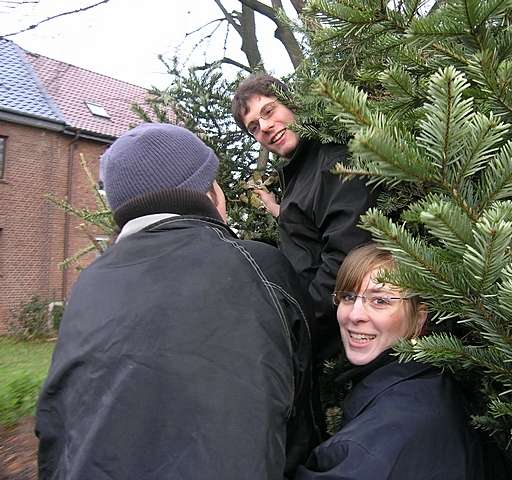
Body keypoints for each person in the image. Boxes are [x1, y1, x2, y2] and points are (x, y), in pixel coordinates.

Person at [36, 123, 320, 480]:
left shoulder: (89, 283)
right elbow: (301, 425)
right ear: (207, 195)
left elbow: (54, 425)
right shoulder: (260, 267)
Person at [295, 243, 486, 479]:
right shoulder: (429, 384)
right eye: (347, 297)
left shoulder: (382, 437)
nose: (355, 315)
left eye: (380, 301)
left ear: (419, 318)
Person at [232, 75, 375, 362]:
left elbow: (347, 257)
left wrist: (301, 329)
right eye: (254, 128)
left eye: (269, 112)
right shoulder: (298, 173)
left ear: (293, 103)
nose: (266, 128)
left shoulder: (335, 161)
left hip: (351, 341)